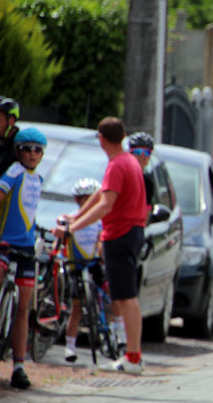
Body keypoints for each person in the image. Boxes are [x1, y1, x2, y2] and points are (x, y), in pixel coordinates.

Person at [53, 117, 147, 374]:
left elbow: (106, 203)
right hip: (131, 233)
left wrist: (72, 228)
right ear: (123, 135)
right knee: (127, 298)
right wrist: (77, 215)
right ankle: (133, 355)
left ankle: (134, 357)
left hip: (120, 235)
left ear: (101, 139)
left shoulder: (117, 165)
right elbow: (101, 194)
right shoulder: (127, 161)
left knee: (126, 299)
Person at [0, 127, 46, 389]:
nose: (32, 154)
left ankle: (19, 367)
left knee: (23, 308)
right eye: (27, 149)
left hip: (26, 249)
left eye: (38, 149)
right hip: (6, 244)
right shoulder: (14, 172)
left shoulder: (38, 178)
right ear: (19, 150)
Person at [62, 178, 126, 362]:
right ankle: (70, 346)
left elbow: (103, 236)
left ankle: (117, 333)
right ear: (78, 201)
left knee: (113, 293)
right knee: (76, 307)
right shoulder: (72, 218)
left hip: (94, 264)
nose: (88, 203)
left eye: (92, 199)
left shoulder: (100, 220)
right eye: (84, 199)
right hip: (77, 267)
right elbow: (61, 227)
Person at [127, 131, 158, 214]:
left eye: (147, 152)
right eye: (137, 152)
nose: (142, 156)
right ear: (129, 153)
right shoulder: (120, 176)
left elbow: (145, 215)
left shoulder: (148, 184)